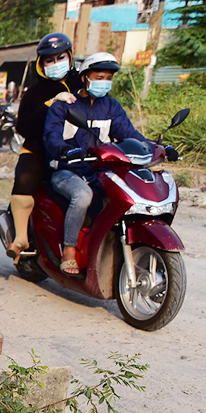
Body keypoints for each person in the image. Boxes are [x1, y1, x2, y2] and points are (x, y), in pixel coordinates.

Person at [43, 52, 147, 276]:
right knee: (83, 196)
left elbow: (129, 134)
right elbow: (52, 137)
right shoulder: (65, 105)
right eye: (99, 77)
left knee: (127, 196)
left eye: (108, 78)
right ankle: (69, 250)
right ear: (84, 78)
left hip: (101, 171)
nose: (104, 82)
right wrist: (65, 150)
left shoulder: (111, 107)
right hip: (67, 170)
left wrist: (153, 146)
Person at [7, 32, 82, 264]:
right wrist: (51, 104)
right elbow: (24, 127)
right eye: (49, 60)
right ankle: (20, 239)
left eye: (60, 57)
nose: (55, 63)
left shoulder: (83, 83)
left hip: (78, 148)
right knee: (25, 178)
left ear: (69, 57)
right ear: (41, 64)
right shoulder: (34, 93)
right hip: (39, 151)